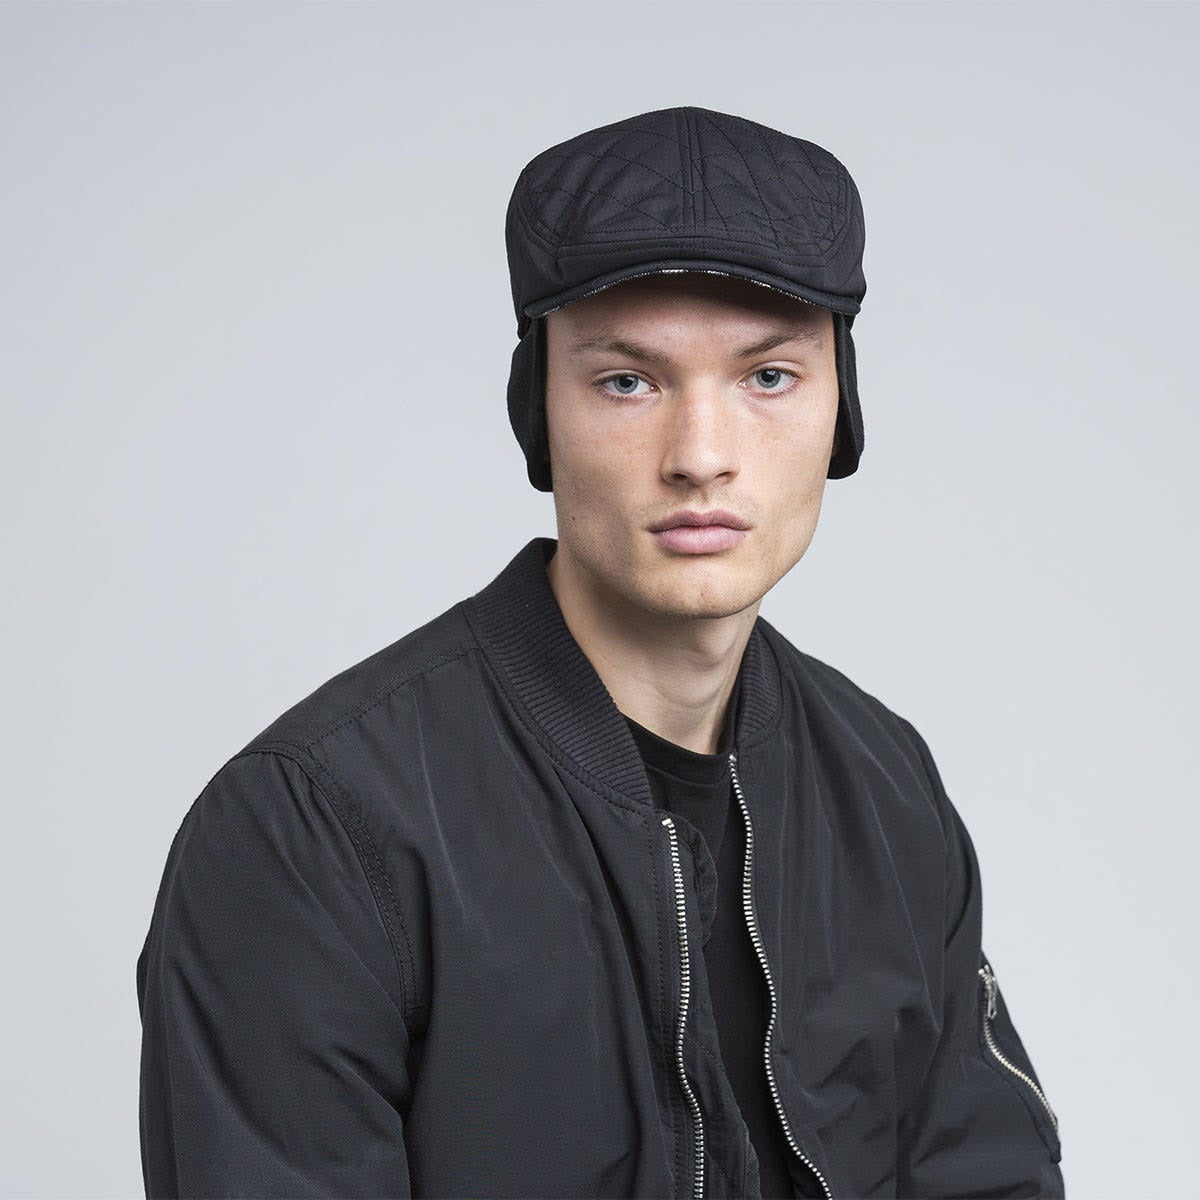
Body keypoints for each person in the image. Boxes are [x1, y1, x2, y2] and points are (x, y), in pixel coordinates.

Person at [137, 106, 1065, 1199]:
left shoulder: (885, 784)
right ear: (537, 411)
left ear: (842, 413)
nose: (701, 457)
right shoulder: (313, 829)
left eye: (768, 377)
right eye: (628, 381)